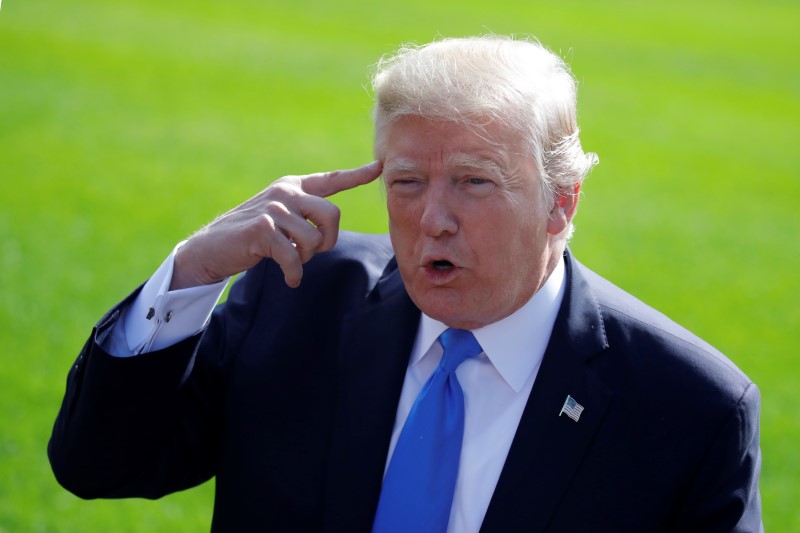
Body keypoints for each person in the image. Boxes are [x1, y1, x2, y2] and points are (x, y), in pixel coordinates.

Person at [49, 36, 762, 532]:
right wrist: (193, 270)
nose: (433, 219)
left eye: (474, 182)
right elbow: (98, 463)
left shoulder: (690, 407)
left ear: (561, 200)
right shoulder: (294, 300)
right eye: (407, 182)